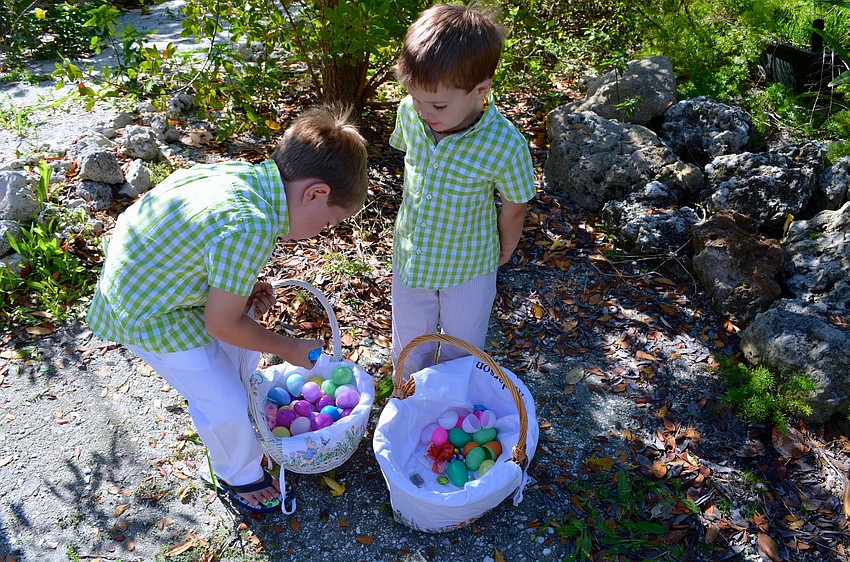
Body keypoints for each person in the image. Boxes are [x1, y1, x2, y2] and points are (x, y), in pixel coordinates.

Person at [86, 105, 369, 513]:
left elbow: (200, 242)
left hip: (161, 280)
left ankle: (240, 421)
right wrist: (287, 348)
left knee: (240, 351)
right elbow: (220, 323)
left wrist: (241, 287)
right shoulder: (250, 224)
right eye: (326, 223)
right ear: (316, 194)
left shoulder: (245, 180)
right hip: (147, 309)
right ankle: (239, 474)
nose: (320, 232)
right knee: (221, 401)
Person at [390, 3, 535, 377]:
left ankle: (454, 407)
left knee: (464, 346)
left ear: (480, 89)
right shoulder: (411, 112)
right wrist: (421, 103)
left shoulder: (504, 144)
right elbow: (412, 161)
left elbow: (515, 204)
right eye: (415, 97)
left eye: (437, 104)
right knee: (409, 341)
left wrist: (505, 249)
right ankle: (409, 398)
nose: (423, 111)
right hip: (412, 255)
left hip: (469, 265)